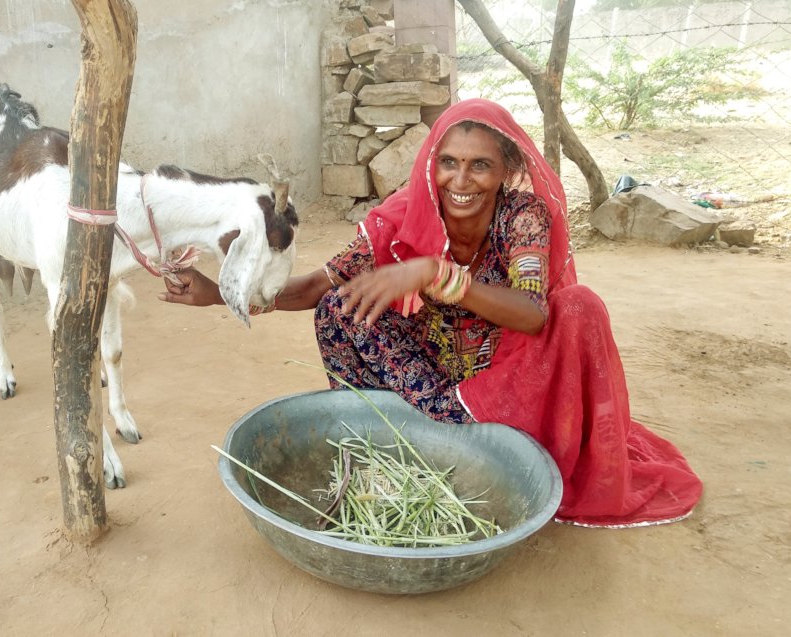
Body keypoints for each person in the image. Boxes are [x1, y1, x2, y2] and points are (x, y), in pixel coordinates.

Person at [159, 98, 702, 528]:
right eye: (449, 163)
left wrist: (434, 274)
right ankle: (401, 443)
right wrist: (224, 294)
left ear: (506, 169)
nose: (461, 182)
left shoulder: (522, 216)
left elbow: (534, 314)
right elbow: (314, 289)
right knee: (338, 310)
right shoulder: (403, 215)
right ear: (431, 164)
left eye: (480, 165)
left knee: (581, 306)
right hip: (431, 383)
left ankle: (488, 441)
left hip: (509, 375)